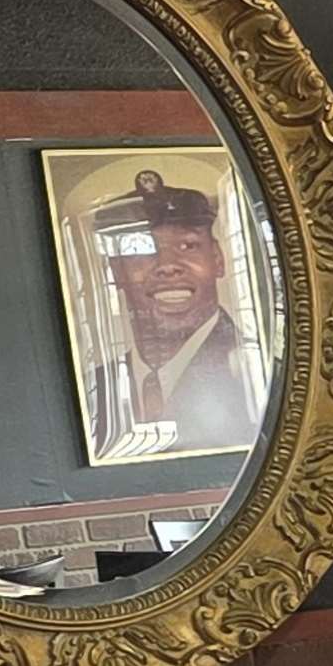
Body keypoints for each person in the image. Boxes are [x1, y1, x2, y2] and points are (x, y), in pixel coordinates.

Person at [82, 170, 262, 457]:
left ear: (217, 259)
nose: (167, 265)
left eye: (187, 245)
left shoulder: (261, 374)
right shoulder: (93, 389)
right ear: (116, 271)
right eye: (139, 248)